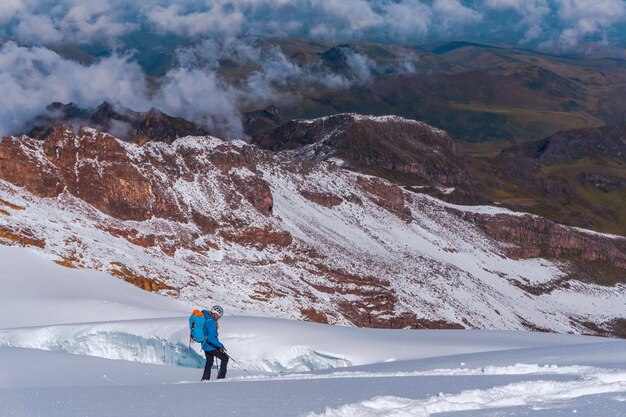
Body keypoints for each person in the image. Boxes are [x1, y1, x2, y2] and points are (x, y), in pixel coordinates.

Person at [201, 305, 229, 381]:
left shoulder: (206, 319)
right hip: (210, 345)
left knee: (209, 361)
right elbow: (211, 338)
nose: (219, 317)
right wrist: (220, 346)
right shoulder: (211, 322)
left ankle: (205, 379)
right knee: (225, 358)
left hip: (205, 345)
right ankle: (221, 378)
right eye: (219, 315)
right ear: (215, 313)